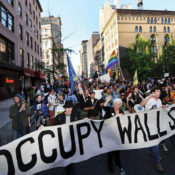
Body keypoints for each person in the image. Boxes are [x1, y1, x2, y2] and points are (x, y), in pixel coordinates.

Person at [141, 87, 166, 173]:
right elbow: (141, 104)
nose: (159, 93)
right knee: (155, 143)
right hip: (149, 124)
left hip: (156, 124)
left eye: (159, 91)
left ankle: (152, 152)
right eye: (157, 91)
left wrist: (162, 107)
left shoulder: (159, 101)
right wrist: (149, 96)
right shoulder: (150, 99)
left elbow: (158, 111)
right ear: (153, 93)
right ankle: (157, 162)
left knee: (155, 141)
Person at [54, 101, 81, 175]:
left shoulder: (77, 115)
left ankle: (71, 169)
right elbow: (53, 129)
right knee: (66, 157)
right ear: (64, 108)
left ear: (72, 108)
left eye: (70, 108)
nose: (69, 110)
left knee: (72, 157)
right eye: (67, 108)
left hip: (73, 140)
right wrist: (43, 128)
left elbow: (80, 125)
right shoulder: (59, 117)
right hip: (63, 141)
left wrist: (85, 121)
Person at [104, 98, 126, 175]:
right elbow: (104, 107)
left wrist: (124, 117)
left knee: (117, 151)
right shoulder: (110, 109)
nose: (117, 105)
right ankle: (110, 166)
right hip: (110, 134)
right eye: (116, 104)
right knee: (110, 151)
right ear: (113, 104)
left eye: (119, 104)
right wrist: (107, 100)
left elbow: (125, 121)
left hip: (118, 134)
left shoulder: (121, 111)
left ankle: (118, 163)